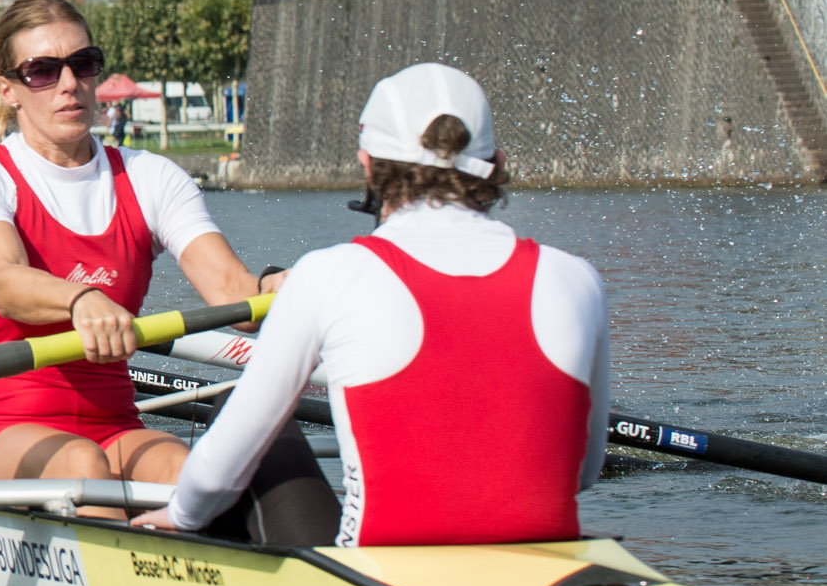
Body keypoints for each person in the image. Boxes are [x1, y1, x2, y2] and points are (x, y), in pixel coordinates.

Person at [139, 63, 609, 547]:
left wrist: (182, 514)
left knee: (235, 405)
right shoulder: (576, 279)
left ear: (368, 165)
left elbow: (219, 472)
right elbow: (584, 470)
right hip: (543, 578)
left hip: (382, 584)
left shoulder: (330, 274)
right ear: (497, 163)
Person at [0, 0, 288, 517]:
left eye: (83, 64)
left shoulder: (152, 176)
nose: (68, 83)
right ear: (8, 89)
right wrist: (81, 301)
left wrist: (280, 287)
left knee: (198, 478)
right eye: (42, 70)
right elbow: (1, 282)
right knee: (81, 467)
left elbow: (235, 295)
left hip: (115, 425)